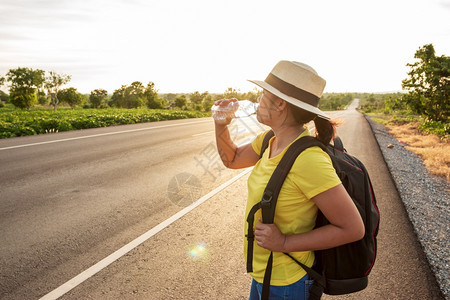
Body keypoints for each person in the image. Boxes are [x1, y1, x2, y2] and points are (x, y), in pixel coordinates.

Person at [213, 61, 365, 300]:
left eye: (263, 95)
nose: (258, 100)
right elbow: (231, 159)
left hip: (287, 284)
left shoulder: (309, 160)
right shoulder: (268, 140)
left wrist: (283, 242)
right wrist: (220, 124)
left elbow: (352, 228)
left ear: (281, 104)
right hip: (264, 275)